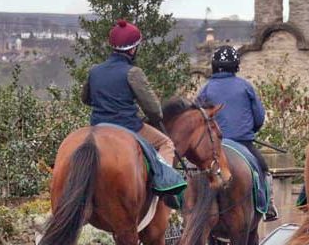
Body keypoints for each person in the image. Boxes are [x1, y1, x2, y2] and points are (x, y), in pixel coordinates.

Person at [81, 19, 177, 202]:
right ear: (133, 49)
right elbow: (155, 111)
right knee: (166, 144)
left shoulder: (95, 71)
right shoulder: (133, 72)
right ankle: (166, 185)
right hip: (128, 126)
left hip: (98, 126)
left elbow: (85, 99)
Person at [197, 45, 278, 222]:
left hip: (213, 148)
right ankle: (268, 206)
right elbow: (259, 117)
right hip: (243, 144)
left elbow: (197, 119)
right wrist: (249, 131)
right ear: (236, 66)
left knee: (192, 171)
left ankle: (185, 207)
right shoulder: (246, 87)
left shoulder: (205, 89)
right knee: (263, 169)